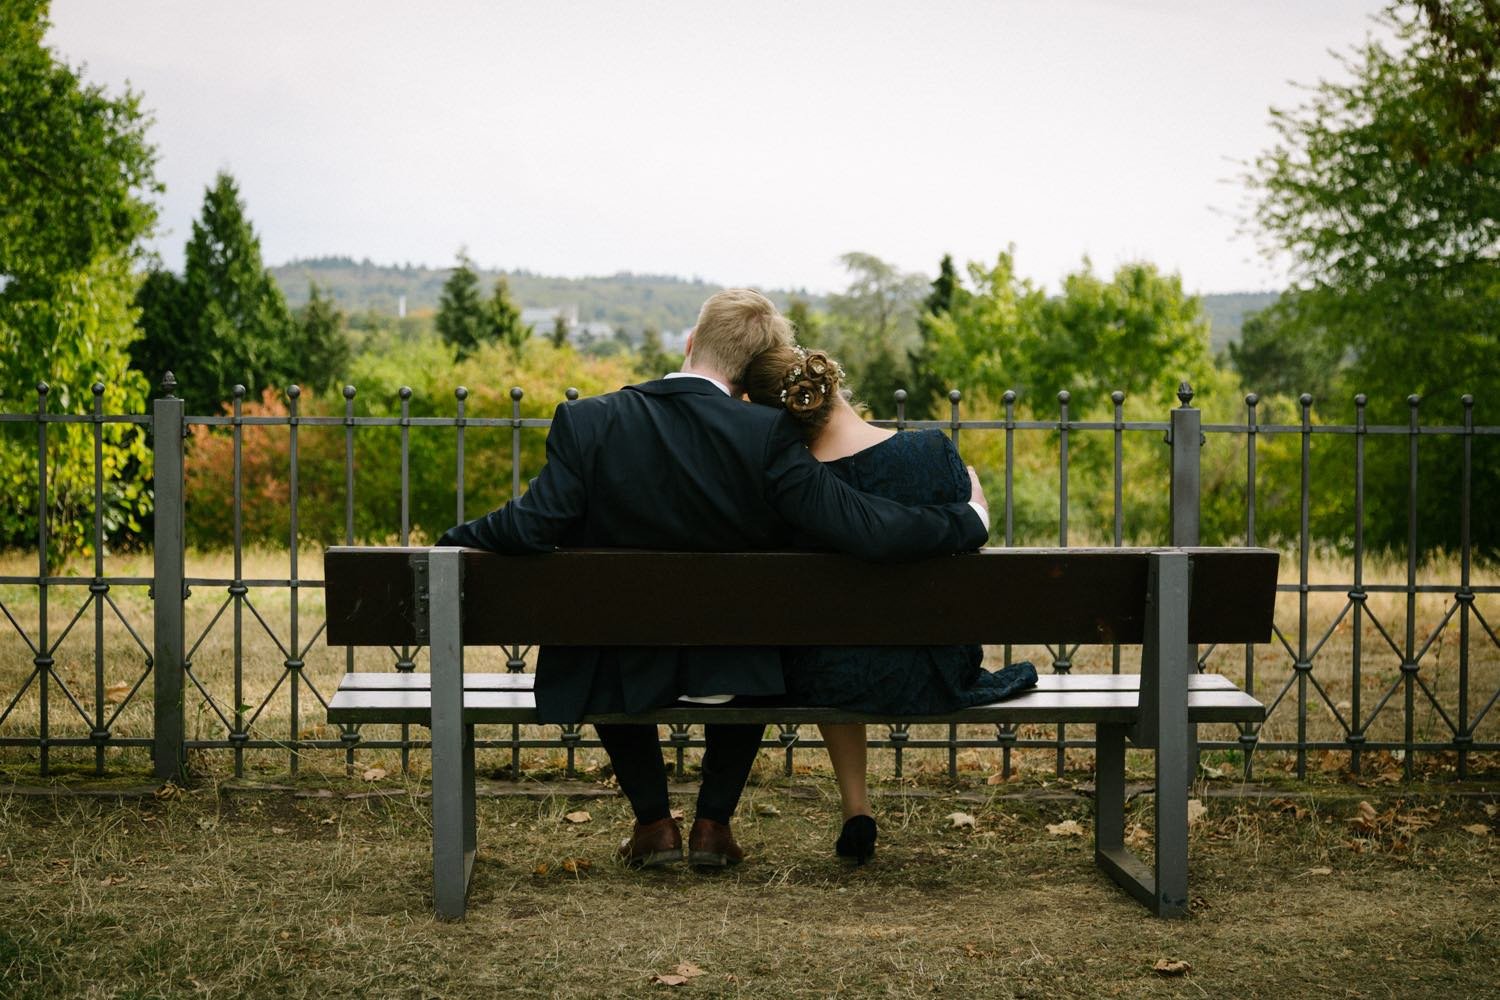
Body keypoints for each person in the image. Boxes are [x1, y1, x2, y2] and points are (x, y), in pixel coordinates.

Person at [437, 289, 991, 870]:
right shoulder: (767, 435)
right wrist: (967, 518)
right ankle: (711, 824)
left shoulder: (590, 420)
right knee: (752, 630)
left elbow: (531, 526)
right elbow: (865, 527)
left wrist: (450, 543)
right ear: (749, 372)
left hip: (618, 668)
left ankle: (653, 822)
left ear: (690, 343)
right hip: (732, 669)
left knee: (603, 636)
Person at [743, 344, 1037, 865]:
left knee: (833, 639)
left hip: (824, 676)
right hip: (931, 670)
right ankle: (856, 809)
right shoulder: (931, 452)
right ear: (833, 381)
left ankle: (857, 808)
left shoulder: (794, 484)